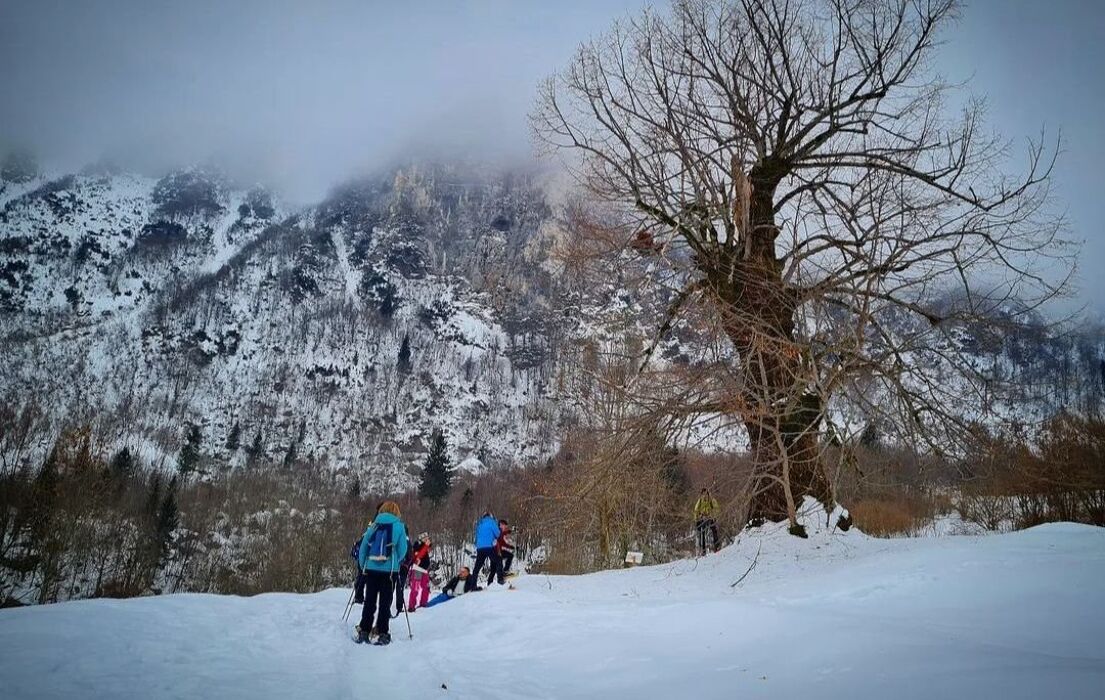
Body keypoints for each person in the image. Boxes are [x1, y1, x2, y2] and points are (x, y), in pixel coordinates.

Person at [354, 501, 408, 645]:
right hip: (390, 571)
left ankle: (364, 631)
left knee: (369, 601)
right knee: (385, 603)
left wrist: (363, 566)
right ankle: (383, 633)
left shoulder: (374, 525)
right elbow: (403, 549)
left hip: (371, 569)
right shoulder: (399, 526)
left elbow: (364, 546)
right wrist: (396, 561)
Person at [472, 509, 502, 586]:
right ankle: (500, 581)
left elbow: (475, 536)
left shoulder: (479, 524)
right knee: (498, 561)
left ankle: (473, 585)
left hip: (480, 548)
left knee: (477, 567)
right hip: (489, 547)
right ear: (490, 516)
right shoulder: (492, 522)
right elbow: (498, 534)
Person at [406, 533, 433, 612]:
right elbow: (419, 555)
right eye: (425, 538)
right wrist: (425, 546)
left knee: (426, 587)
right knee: (415, 588)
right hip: (417, 569)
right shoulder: (417, 545)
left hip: (425, 570)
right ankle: (412, 606)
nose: (427, 540)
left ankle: (423, 603)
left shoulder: (425, 546)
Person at [693, 488, 720, 554]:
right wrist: (696, 518)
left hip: (709, 517)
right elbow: (696, 510)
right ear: (701, 495)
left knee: (714, 530)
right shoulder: (700, 501)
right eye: (703, 494)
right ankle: (703, 549)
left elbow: (716, 507)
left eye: (706, 494)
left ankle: (716, 546)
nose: (705, 495)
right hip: (702, 518)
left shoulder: (711, 500)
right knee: (702, 532)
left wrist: (714, 516)